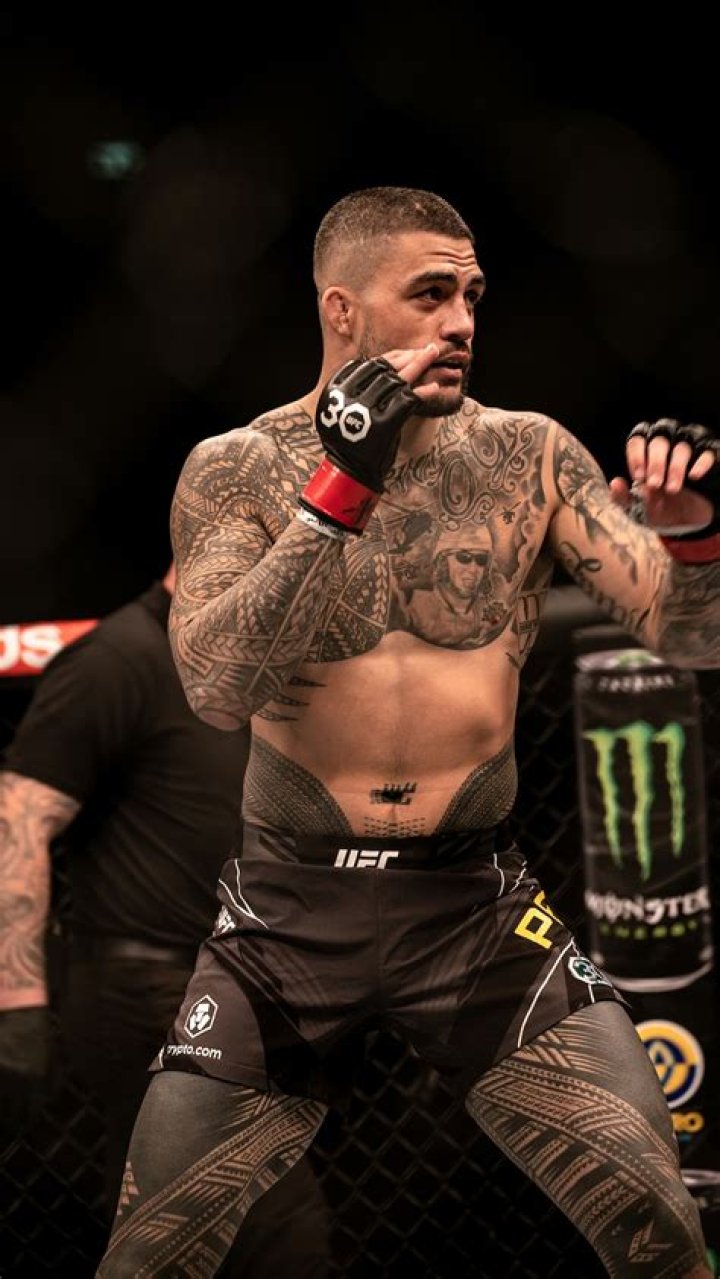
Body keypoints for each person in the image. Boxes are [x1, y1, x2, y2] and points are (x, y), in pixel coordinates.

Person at [96, 186, 720, 1279]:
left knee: (659, 1218)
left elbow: (694, 639)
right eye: (430, 294)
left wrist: (696, 543)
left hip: (476, 907)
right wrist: (340, 487)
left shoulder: (529, 457)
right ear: (343, 310)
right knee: (148, 1256)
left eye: (471, 296)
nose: (461, 322)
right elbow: (216, 688)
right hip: (286, 915)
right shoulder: (235, 467)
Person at [0, 563, 331, 1277]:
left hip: (237, 989)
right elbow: (18, 822)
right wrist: (16, 1004)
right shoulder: (120, 658)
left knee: (171, 1242)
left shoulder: (250, 671)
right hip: (150, 992)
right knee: (278, 1236)